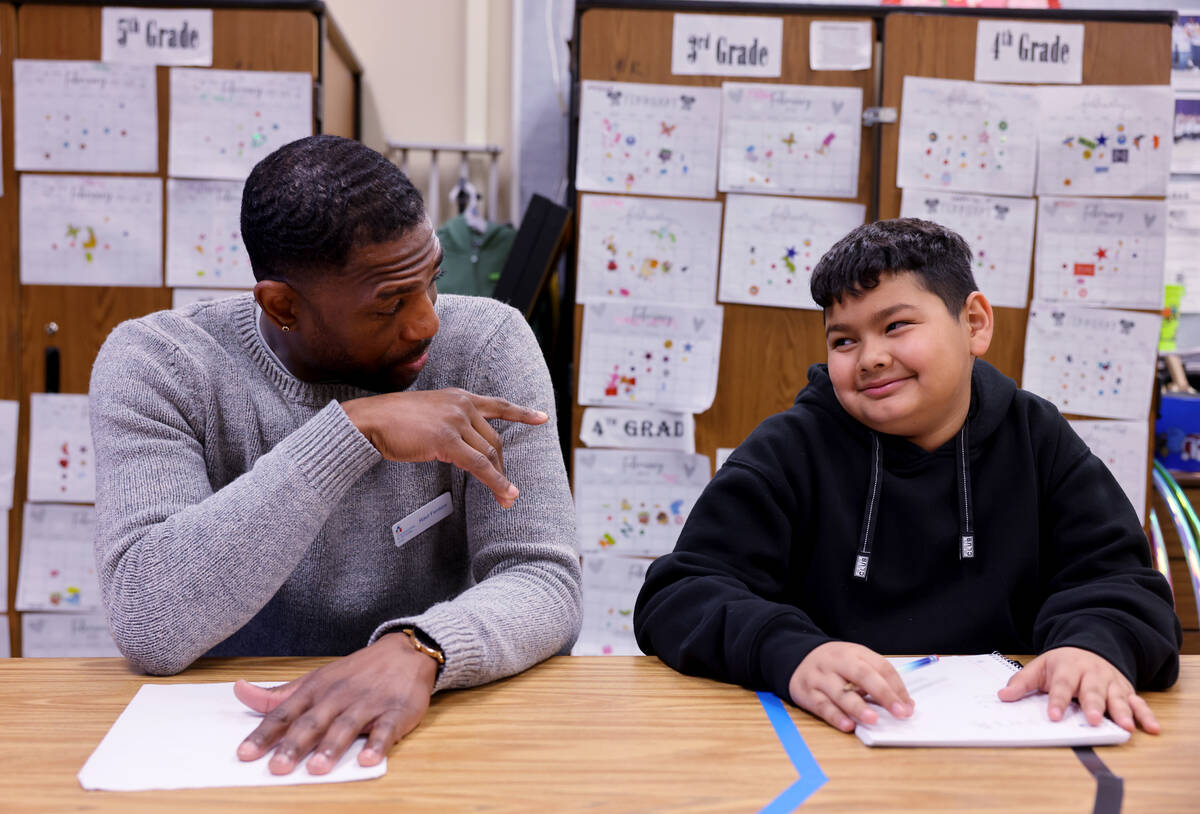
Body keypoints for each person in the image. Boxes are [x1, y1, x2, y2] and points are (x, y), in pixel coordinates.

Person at [89, 134, 582, 775]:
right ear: (282, 305)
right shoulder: (160, 365)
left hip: (440, 718)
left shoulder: (487, 343)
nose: (427, 322)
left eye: (433, 281)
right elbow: (150, 621)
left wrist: (422, 648)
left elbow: (545, 579)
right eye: (390, 304)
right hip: (234, 736)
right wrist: (348, 432)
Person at [634, 218, 1181, 735]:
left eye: (896, 326)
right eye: (844, 340)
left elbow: (1121, 584)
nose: (870, 358)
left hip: (1017, 735)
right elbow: (680, 593)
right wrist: (792, 651)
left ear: (974, 323)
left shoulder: (1036, 438)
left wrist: (1094, 646)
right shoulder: (789, 449)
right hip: (829, 732)